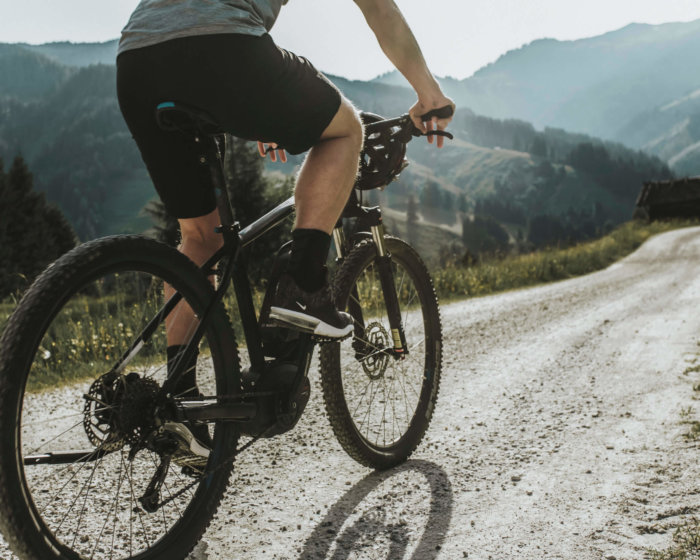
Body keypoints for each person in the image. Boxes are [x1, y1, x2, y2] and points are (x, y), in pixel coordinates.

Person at [116, 0, 454, 464]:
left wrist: (263, 110)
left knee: (200, 236)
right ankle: (302, 283)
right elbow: (377, 6)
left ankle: (179, 395)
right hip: (223, 47)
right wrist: (428, 93)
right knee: (344, 132)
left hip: (137, 59)